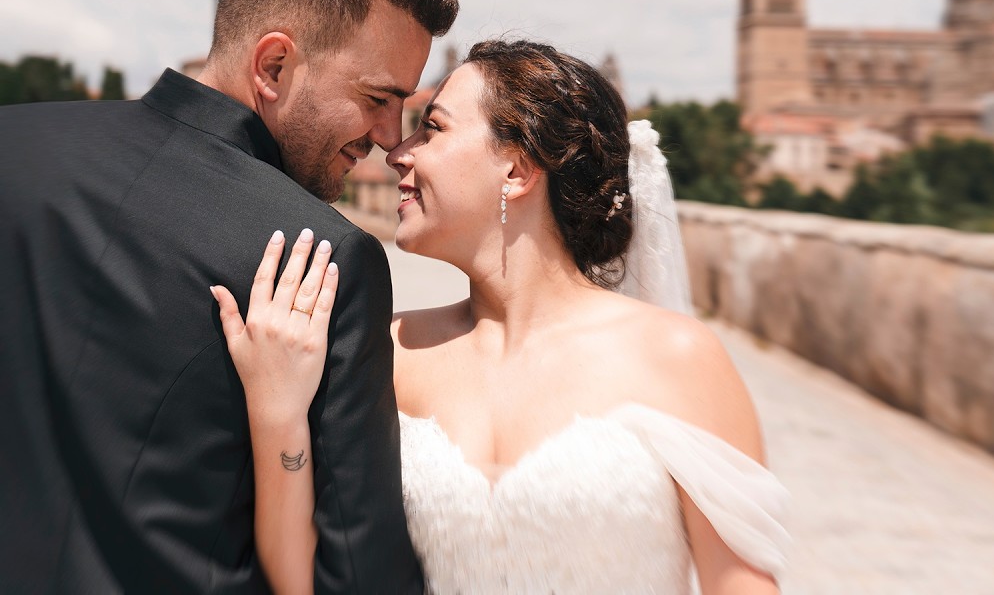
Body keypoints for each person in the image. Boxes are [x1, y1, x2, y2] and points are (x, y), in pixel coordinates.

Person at [212, 40, 790, 593]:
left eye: (432, 128)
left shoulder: (679, 359)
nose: (397, 152)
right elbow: (305, 578)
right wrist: (278, 415)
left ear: (516, 169)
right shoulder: (384, 351)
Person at [0, 0, 458, 592]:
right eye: (377, 98)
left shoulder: (14, 145)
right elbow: (360, 574)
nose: (392, 137)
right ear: (274, 65)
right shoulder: (322, 258)